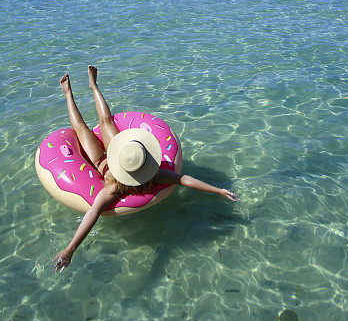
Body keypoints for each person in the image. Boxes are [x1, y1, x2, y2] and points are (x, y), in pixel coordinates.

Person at [53, 67, 238, 272]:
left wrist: (71, 249)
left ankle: (69, 93)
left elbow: (92, 215)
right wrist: (218, 189)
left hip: (101, 160)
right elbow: (184, 179)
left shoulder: (113, 189)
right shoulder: (154, 176)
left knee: (82, 128)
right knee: (106, 121)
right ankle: (93, 86)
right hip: (119, 151)